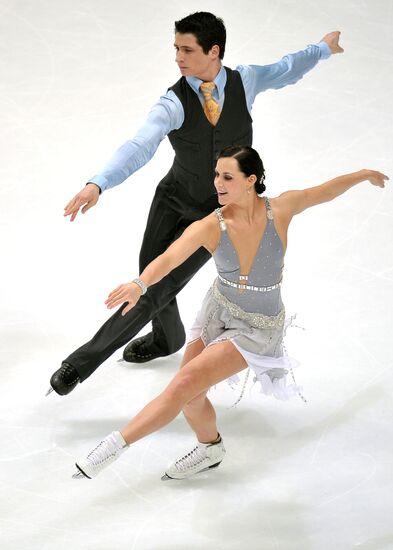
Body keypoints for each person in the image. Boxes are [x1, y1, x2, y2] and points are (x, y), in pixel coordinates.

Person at [48, 11, 344, 396]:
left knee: (152, 288)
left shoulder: (245, 81)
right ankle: (166, 339)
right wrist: (98, 184)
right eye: (176, 48)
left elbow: (285, 69)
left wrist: (322, 49)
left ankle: (79, 363)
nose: (178, 57)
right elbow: (140, 145)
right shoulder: (173, 102)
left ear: (213, 51)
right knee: (149, 273)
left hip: (212, 215)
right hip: (171, 200)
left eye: (187, 49)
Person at [71, 145, 388, 481]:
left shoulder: (280, 209)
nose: (217, 183)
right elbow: (168, 258)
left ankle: (114, 445)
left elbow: (321, 192)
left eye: (227, 177)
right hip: (217, 313)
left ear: (251, 180)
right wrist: (140, 283)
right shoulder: (212, 225)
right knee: (191, 398)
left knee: (184, 383)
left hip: (257, 329)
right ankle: (211, 448)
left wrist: (362, 175)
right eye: (216, 175)